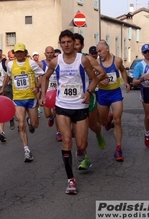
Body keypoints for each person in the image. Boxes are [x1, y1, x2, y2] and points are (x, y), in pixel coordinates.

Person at [40, 30, 99, 195]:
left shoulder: (83, 60)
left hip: (80, 107)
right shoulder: (56, 61)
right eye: (63, 42)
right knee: (66, 140)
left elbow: (94, 78)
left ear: (74, 43)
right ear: (60, 44)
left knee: (81, 145)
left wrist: (88, 92)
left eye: (68, 42)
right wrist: (44, 95)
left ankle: (81, 154)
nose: (66, 45)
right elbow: (45, 77)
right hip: (62, 106)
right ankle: (70, 179)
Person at [1, 43, 44, 162]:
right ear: (14, 54)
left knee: (35, 124)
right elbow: (7, 76)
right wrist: (2, 89)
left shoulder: (31, 63)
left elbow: (42, 75)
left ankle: (31, 121)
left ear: (25, 52)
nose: (19, 54)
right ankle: (26, 150)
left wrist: (38, 87)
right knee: (21, 124)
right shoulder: (10, 65)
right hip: (18, 99)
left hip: (31, 98)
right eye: (17, 52)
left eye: (21, 52)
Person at [96, 40, 131, 162]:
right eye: (97, 51)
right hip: (103, 94)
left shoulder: (117, 60)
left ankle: (118, 149)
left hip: (115, 93)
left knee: (118, 120)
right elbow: (91, 75)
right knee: (103, 121)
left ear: (107, 49)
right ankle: (107, 119)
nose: (98, 53)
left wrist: (126, 82)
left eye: (100, 51)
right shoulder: (97, 62)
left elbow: (122, 70)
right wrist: (99, 81)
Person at [73, 34, 107, 150]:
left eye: (77, 44)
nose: (74, 47)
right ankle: (84, 156)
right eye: (73, 44)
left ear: (82, 46)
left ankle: (98, 134)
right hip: (72, 98)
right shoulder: (65, 59)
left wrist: (92, 83)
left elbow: (102, 73)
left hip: (88, 96)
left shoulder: (88, 59)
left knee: (93, 125)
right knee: (80, 128)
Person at [39, 46, 61, 141]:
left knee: (57, 112)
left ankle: (58, 132)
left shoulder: (58, 62)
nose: (50, 54)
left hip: (57, 92)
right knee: (48, 114)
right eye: (47, 53)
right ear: (45, 54)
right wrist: (38, 88)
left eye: (51, 52)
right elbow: (41, 78)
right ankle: (51, 117)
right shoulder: (42, 64)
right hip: (47, 93)